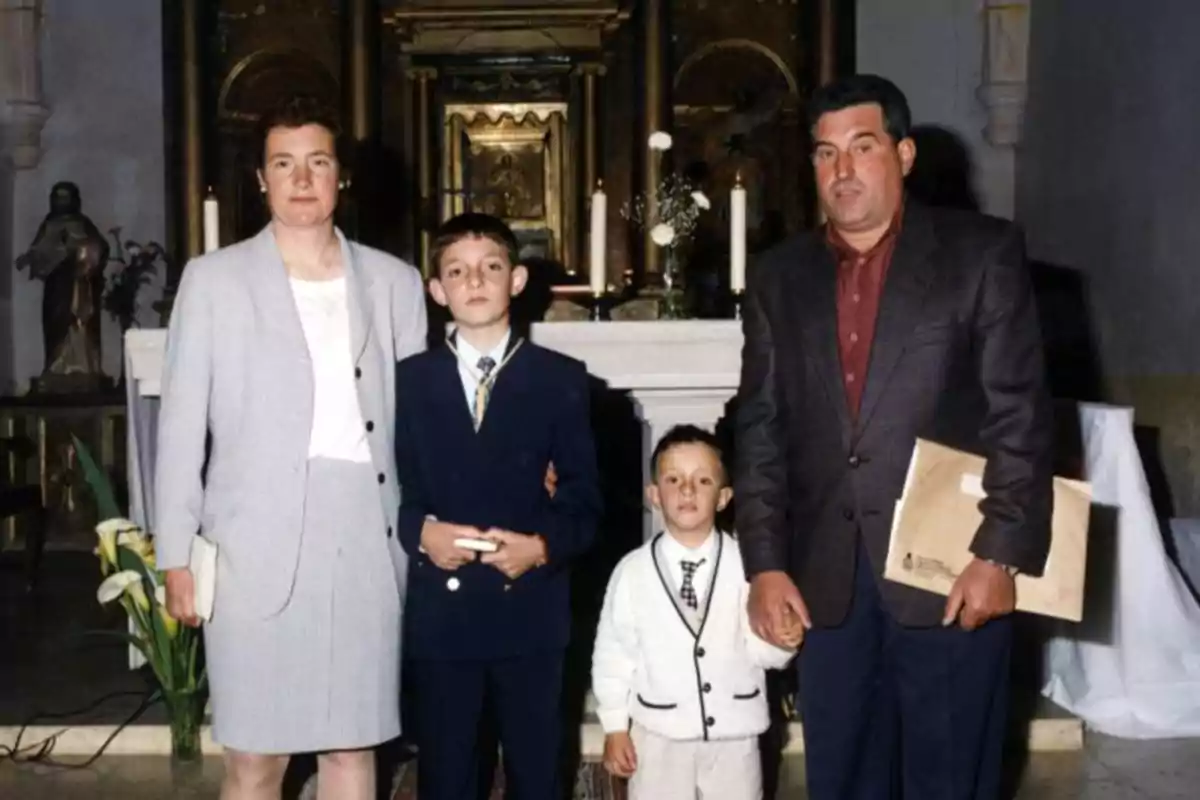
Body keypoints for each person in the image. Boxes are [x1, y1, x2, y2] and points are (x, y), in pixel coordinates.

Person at [734, 74, 1054, 799]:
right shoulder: (778, 277)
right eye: (823, 153)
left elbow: (1020, 416)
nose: (841, 171)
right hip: (825, 585)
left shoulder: (982, 253)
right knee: (842, 778)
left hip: (950, 575)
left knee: (950, 781)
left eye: (862, 146)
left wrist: (999, 553)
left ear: (905, 154)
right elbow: (759, 426)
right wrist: (764, 564)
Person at [155, 95, 427, 800]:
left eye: (317, 163)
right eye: (284, 164)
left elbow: (425, 423)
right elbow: (182, 425)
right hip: (253, 543)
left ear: (342, 177)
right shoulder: (213, 281)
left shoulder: (395, 284)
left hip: (366, 537)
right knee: (255, 759)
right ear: (260, 180)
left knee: (352, 749)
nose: (301, 179)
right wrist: (176, 554)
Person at [393, 212, 602, 800]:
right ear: (436, 291)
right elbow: (389, 490)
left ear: (517, 280)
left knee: (537, 774)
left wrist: (541, 547)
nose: (475, 281)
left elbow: (586, 500)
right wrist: (422, 533)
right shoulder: (408, 383)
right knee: (447, 772)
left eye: (491, 267)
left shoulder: (559, 379)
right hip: (444, 615)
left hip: (530, 613)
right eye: (456, 271)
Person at [592, 424, 799, 800]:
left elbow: (763, 650)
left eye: (703, 481)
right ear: (654, 494)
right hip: (659, 735)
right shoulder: (632, 571)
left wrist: (784, 641)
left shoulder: (748, 566)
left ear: (723, 497)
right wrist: (615, 726)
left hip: (735, 736)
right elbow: (613, 655)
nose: (687, 490)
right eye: (674, 479)